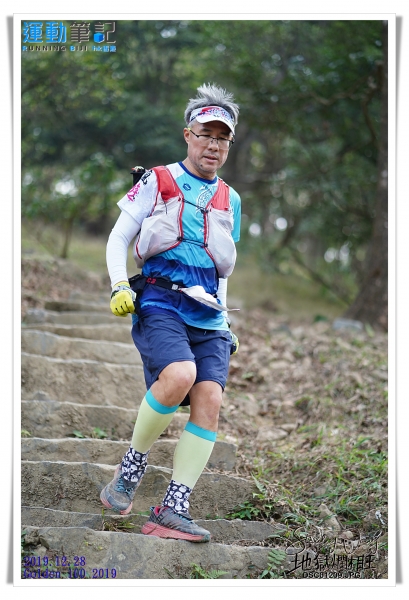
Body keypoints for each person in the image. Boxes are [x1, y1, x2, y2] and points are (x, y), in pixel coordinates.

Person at [100, 83, 241, 543]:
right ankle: (131, 468)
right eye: (205, 135)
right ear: (188, 135)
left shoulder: (231, 199)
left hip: (209, 312)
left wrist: (226, 318)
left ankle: (173, 507)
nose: (213, 145)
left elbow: (220, 265)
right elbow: (119, 237)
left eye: (222, 138)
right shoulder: (157, 180)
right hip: (161, 299)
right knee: (180, 374)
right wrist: (120, 284)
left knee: (210, 398)